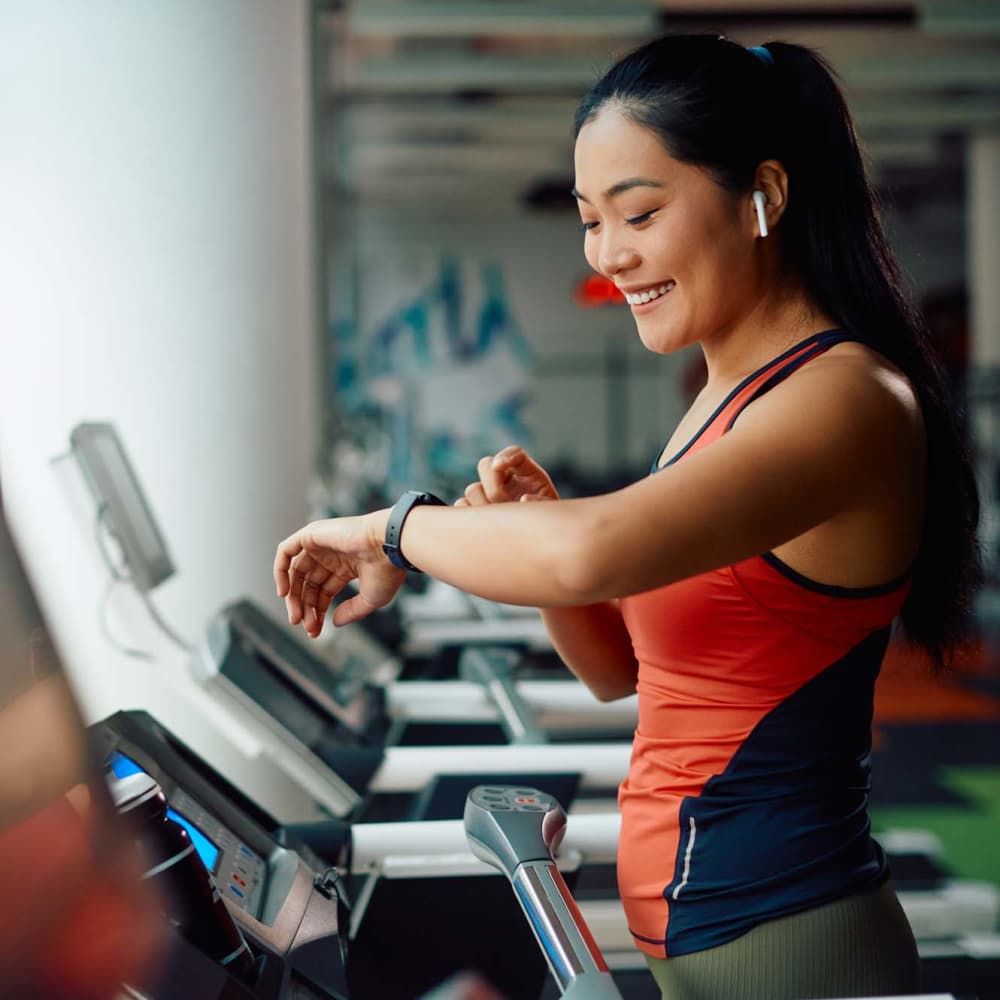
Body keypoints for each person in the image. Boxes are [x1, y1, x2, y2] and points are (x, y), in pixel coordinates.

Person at [275, 34, 981, 1000]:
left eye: (639, 213)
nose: (610, 256)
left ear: (763, 194)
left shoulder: (846, 398)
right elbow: (621, 668)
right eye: (588, 221)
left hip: (784, 930)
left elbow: (588, 554)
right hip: (702, 929)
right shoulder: (720, 402)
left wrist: (390, 528)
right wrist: (544, 527)